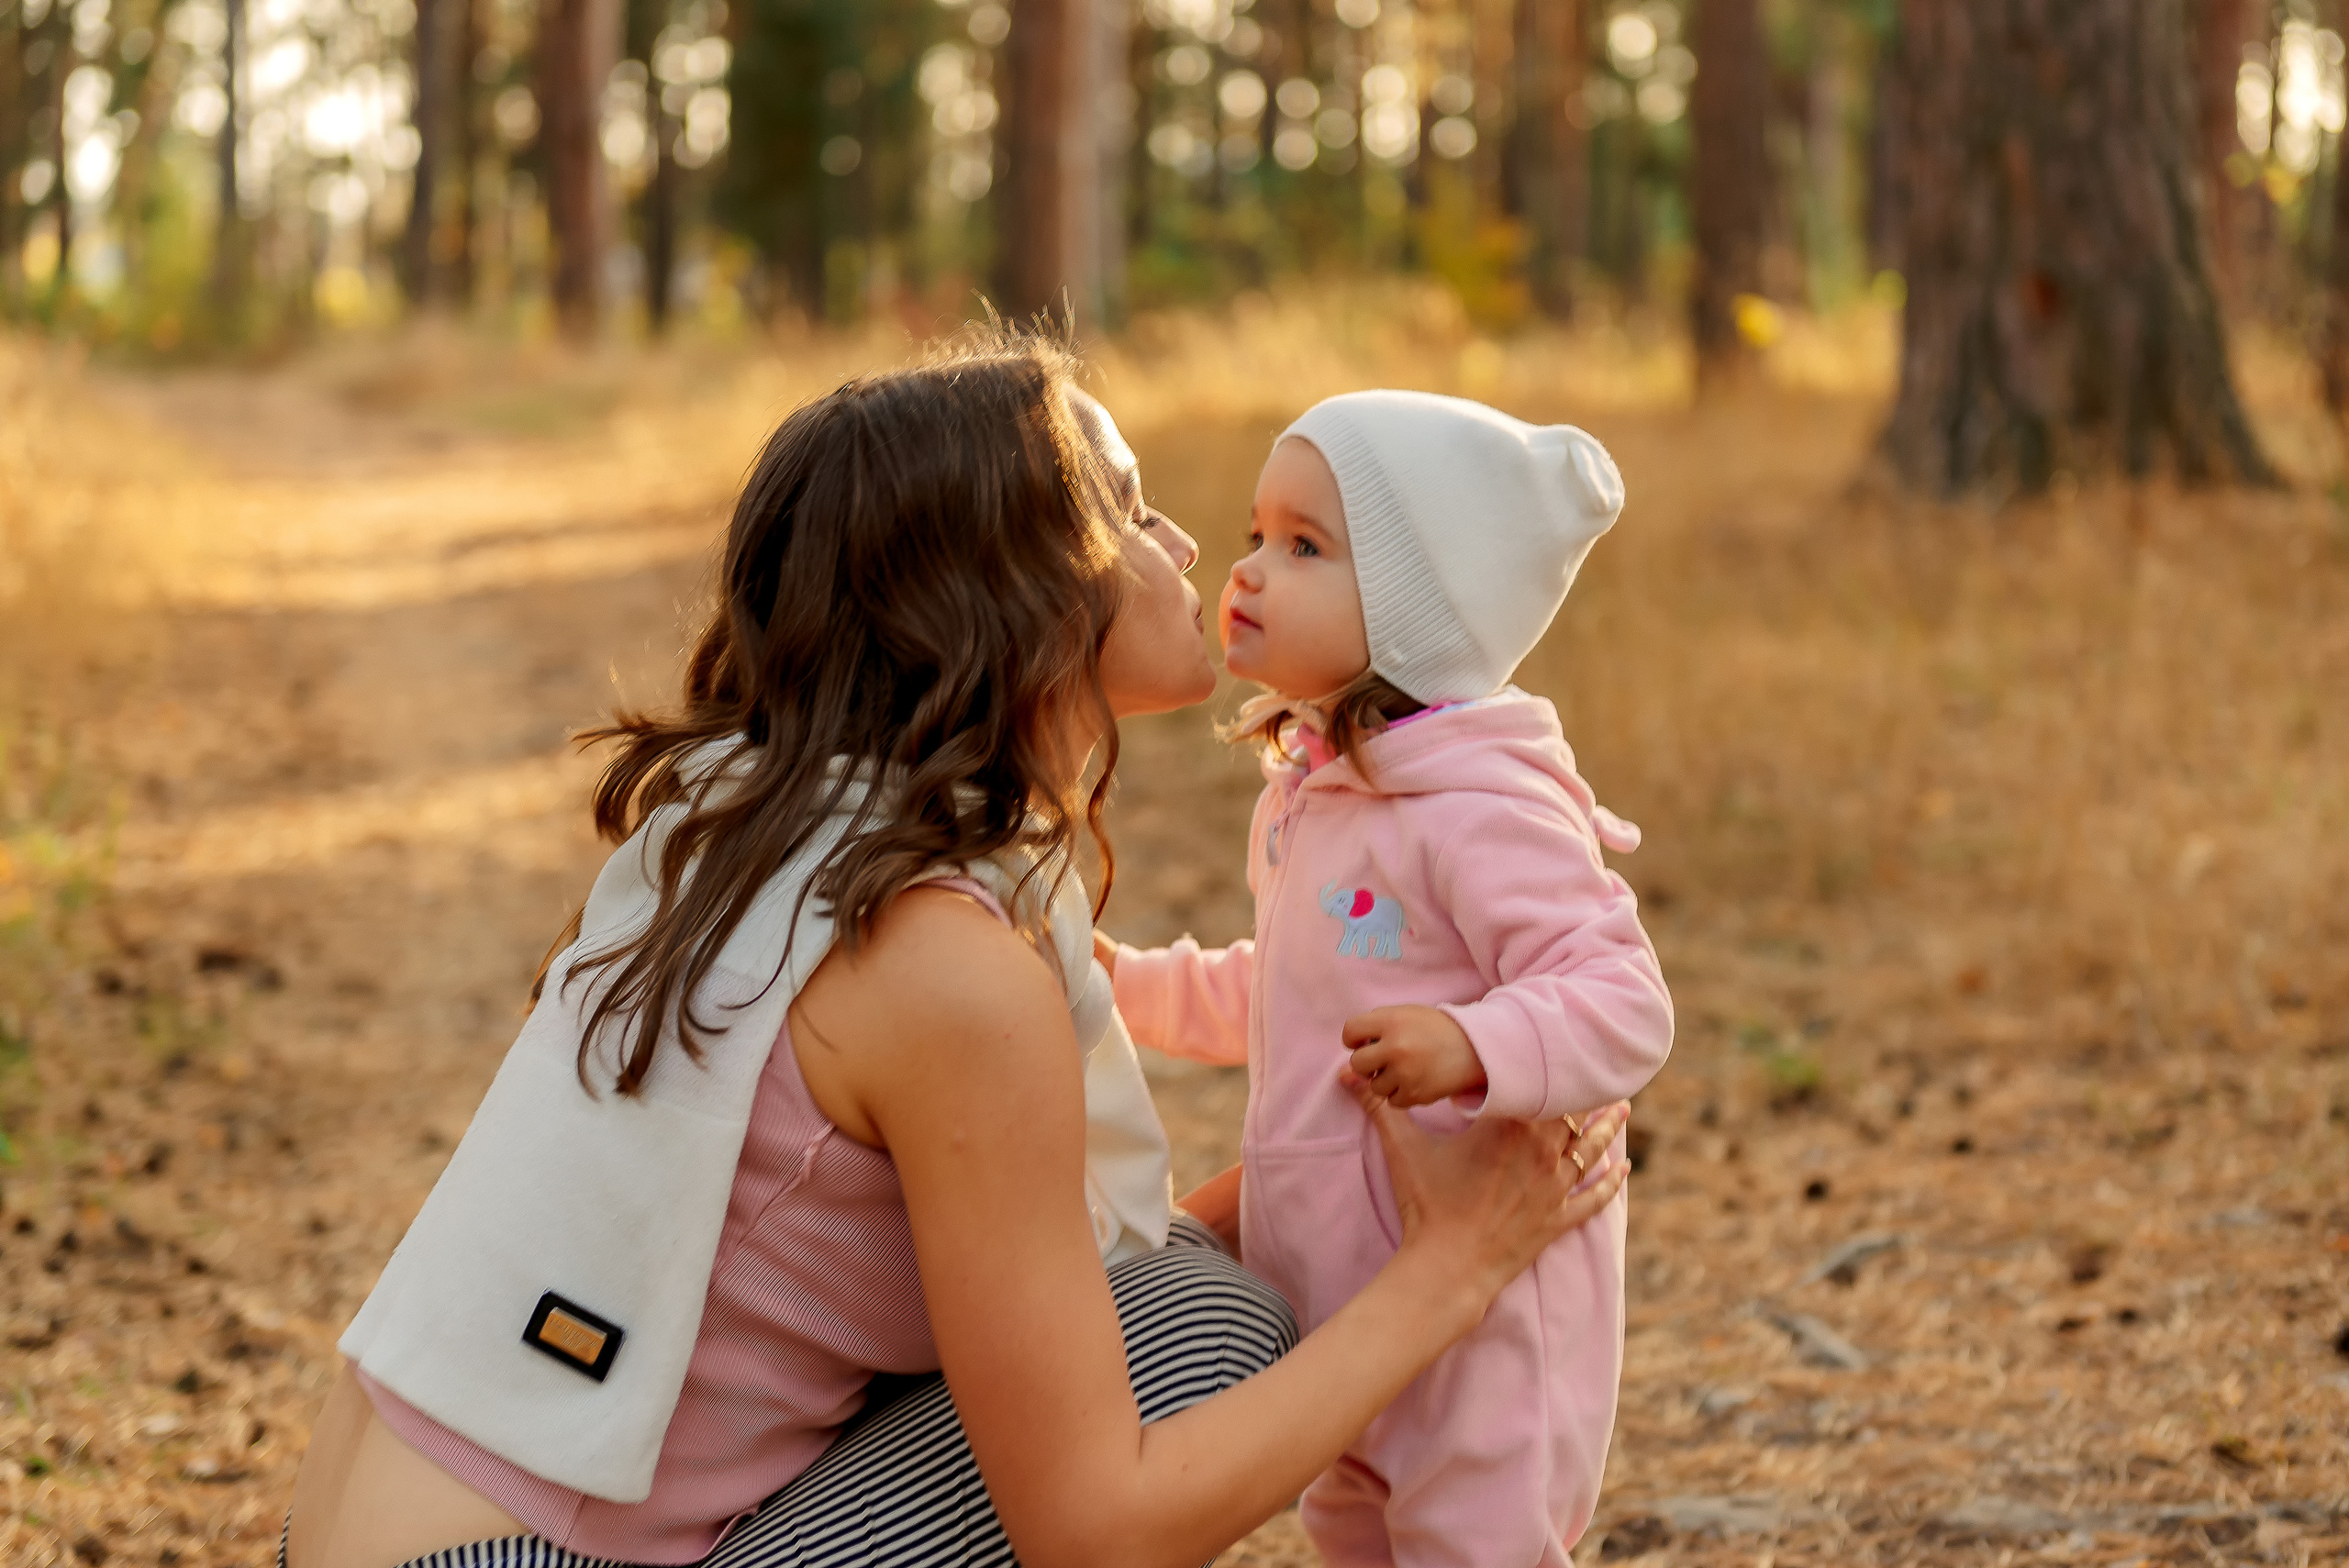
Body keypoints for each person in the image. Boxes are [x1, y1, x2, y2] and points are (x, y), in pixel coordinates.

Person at [284, 339, 1630, 1568]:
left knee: (1170, 1293)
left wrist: (1337, 1192)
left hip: (379, 1535)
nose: (1182, 546)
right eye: (1126, 504)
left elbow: (1030, 1243)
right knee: (1196, 1334)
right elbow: (1097, 1530)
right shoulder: (939, 959)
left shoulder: (761, 826)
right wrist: (1451, 1270)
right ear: (1013, 591)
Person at [1104, 391, 1673, 1568]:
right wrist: (1132, 985)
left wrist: (1475, 1044)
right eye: (1259, 534)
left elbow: (1622, 998)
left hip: (1488, 1315)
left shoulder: (1481, 808)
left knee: (1475, 1541)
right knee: (1353, 1529)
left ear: (1423, 609)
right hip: (1350, 1296)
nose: (1249, 570)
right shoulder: (1321, 789)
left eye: (1305, 546)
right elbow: (1294, 993)